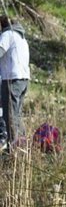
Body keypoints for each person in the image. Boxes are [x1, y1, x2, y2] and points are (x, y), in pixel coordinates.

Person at [0, 15, 30, 150]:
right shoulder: (21, 37)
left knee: (9, 115)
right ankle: (21, 147)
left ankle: (13, 150)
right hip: (23, 79)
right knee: (16, 115)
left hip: (12, 79)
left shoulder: (7, 34)